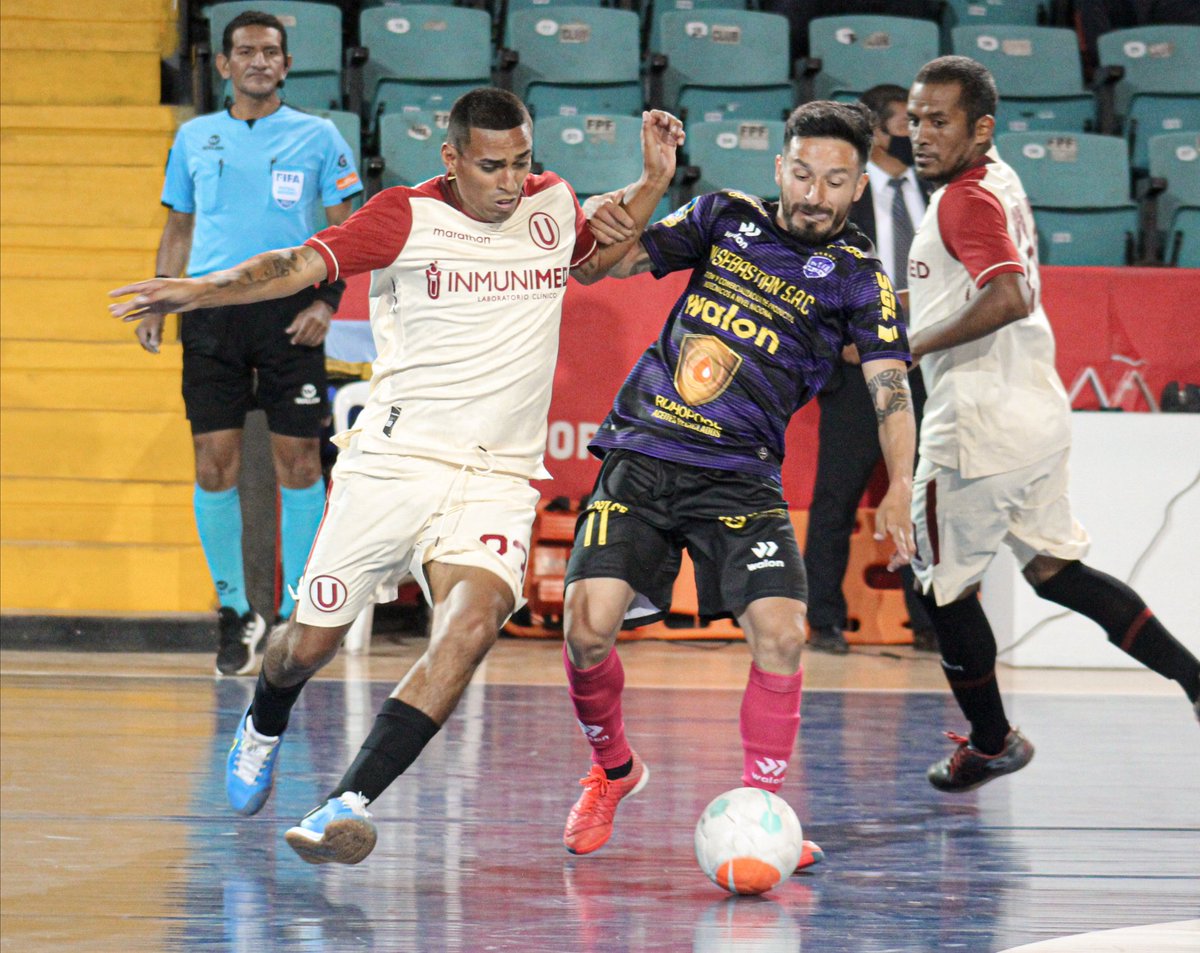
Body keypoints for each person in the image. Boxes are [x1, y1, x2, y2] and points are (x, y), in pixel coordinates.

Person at [111, 87, 686, 865]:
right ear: (451, 159)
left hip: (495, 478)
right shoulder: (402, 216)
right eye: (492, 167)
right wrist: (202, 290)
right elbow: (295, 264)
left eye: (522, 162)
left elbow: (597, 258)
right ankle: (265, 719)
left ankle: (345, 801)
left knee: (472, 625)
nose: (511, 181)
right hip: (391, 465)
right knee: (303, 646)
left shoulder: (551, 205)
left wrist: (652, 182)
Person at [557, 101, 917, 867]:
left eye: (836, 180)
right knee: (587, 629)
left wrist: (902, 480)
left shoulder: (859, 279)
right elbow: (599, 266)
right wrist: (654, 180)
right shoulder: (725, 215)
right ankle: (613, 769)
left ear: (859, 188)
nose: (816, 193)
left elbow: (891, 386)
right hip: (645, 451)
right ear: (780, 166)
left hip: (741, 477)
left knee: (784, 633)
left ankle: (766, 807)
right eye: (805, 173)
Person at [904, 55, 1200, 792]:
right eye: (914, 120)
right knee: (1054, 570)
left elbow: (1004, 296)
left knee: (939, 590)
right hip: (1035, 412)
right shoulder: (1000, 178)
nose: (921, 134)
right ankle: (1196, 679)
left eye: (938, 121)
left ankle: (992, 740)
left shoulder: (962, 201)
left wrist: (905, 343)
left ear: (982, 128)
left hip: (975, 426)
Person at [139, 10, 363, 676]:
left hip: (289, 313)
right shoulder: (193, 138)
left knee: (299, 462)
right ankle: (237, 613)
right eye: (246, 52)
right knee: (214, 464)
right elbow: (180, 226)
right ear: (225, 65)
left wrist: (327, 300)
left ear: (287, 65)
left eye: (271, 52)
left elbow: (343, 233)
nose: (259, 61)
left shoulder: (320, 137)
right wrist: (161, 295)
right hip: (209, 315)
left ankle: (297, 611)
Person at [804, 84, 935, 655]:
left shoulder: (938, 191)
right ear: (879, 132)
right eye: (909, 123)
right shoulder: (841, 197)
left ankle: (929, 622)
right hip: (857, 371)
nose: (920, 134)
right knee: (837, 498)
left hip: (925, 363)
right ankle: (824, 622)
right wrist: (840, 343)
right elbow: (807, 270)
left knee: (924, 497)